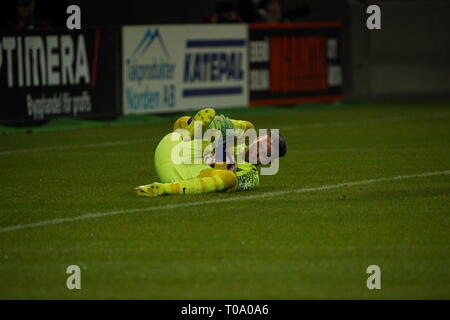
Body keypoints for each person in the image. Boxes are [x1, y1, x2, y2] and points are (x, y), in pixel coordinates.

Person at [135, 108, 287, 197]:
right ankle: (189, 128)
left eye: (266, 151)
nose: (261, 147)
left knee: (228, 177)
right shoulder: (240, 146)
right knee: (223, 132)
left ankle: (163, 188)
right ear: (257, 139)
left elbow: (225, 178)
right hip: (173, 146)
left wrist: (223, 143)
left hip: (178, 173)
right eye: (263, 141)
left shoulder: (251, 176)